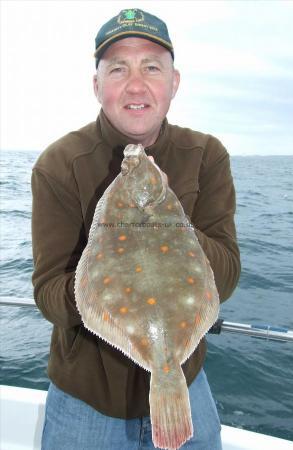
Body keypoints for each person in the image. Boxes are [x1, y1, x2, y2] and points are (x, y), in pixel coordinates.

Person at [31, 8, 240, 450]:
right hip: (85, 397)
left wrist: (168, 214)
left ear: (174, 82)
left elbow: (226, 276)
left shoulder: (208, 155)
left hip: (184, 383)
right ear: (97, 85)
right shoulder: (57, 165)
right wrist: (103, 282)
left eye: (151, 67)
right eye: (118, 68)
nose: (136, 83)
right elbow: (50, 293)